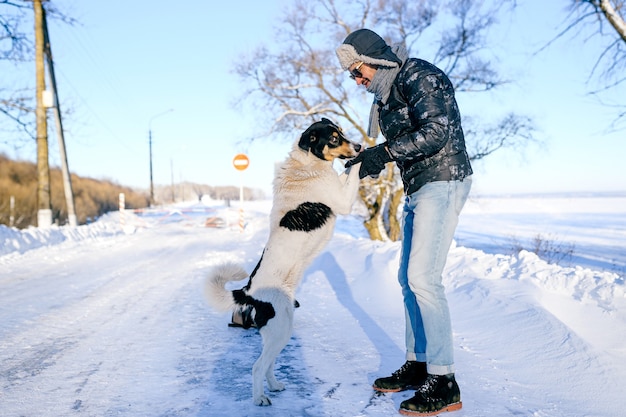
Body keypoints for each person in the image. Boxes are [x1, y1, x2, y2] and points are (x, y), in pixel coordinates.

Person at [336, 29, 473, 416]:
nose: (357, 80)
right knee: (407, 280)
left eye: (358, 70)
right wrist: (368, 160)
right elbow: (396, 144)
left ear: (376, 60)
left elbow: (436, 131)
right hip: (419, 186)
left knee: (424, 279)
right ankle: (419, 363)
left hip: (444, 179)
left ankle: (444, 381)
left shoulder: (420, 76)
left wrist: (385, 153)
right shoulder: (386, 94)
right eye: (352, 75)